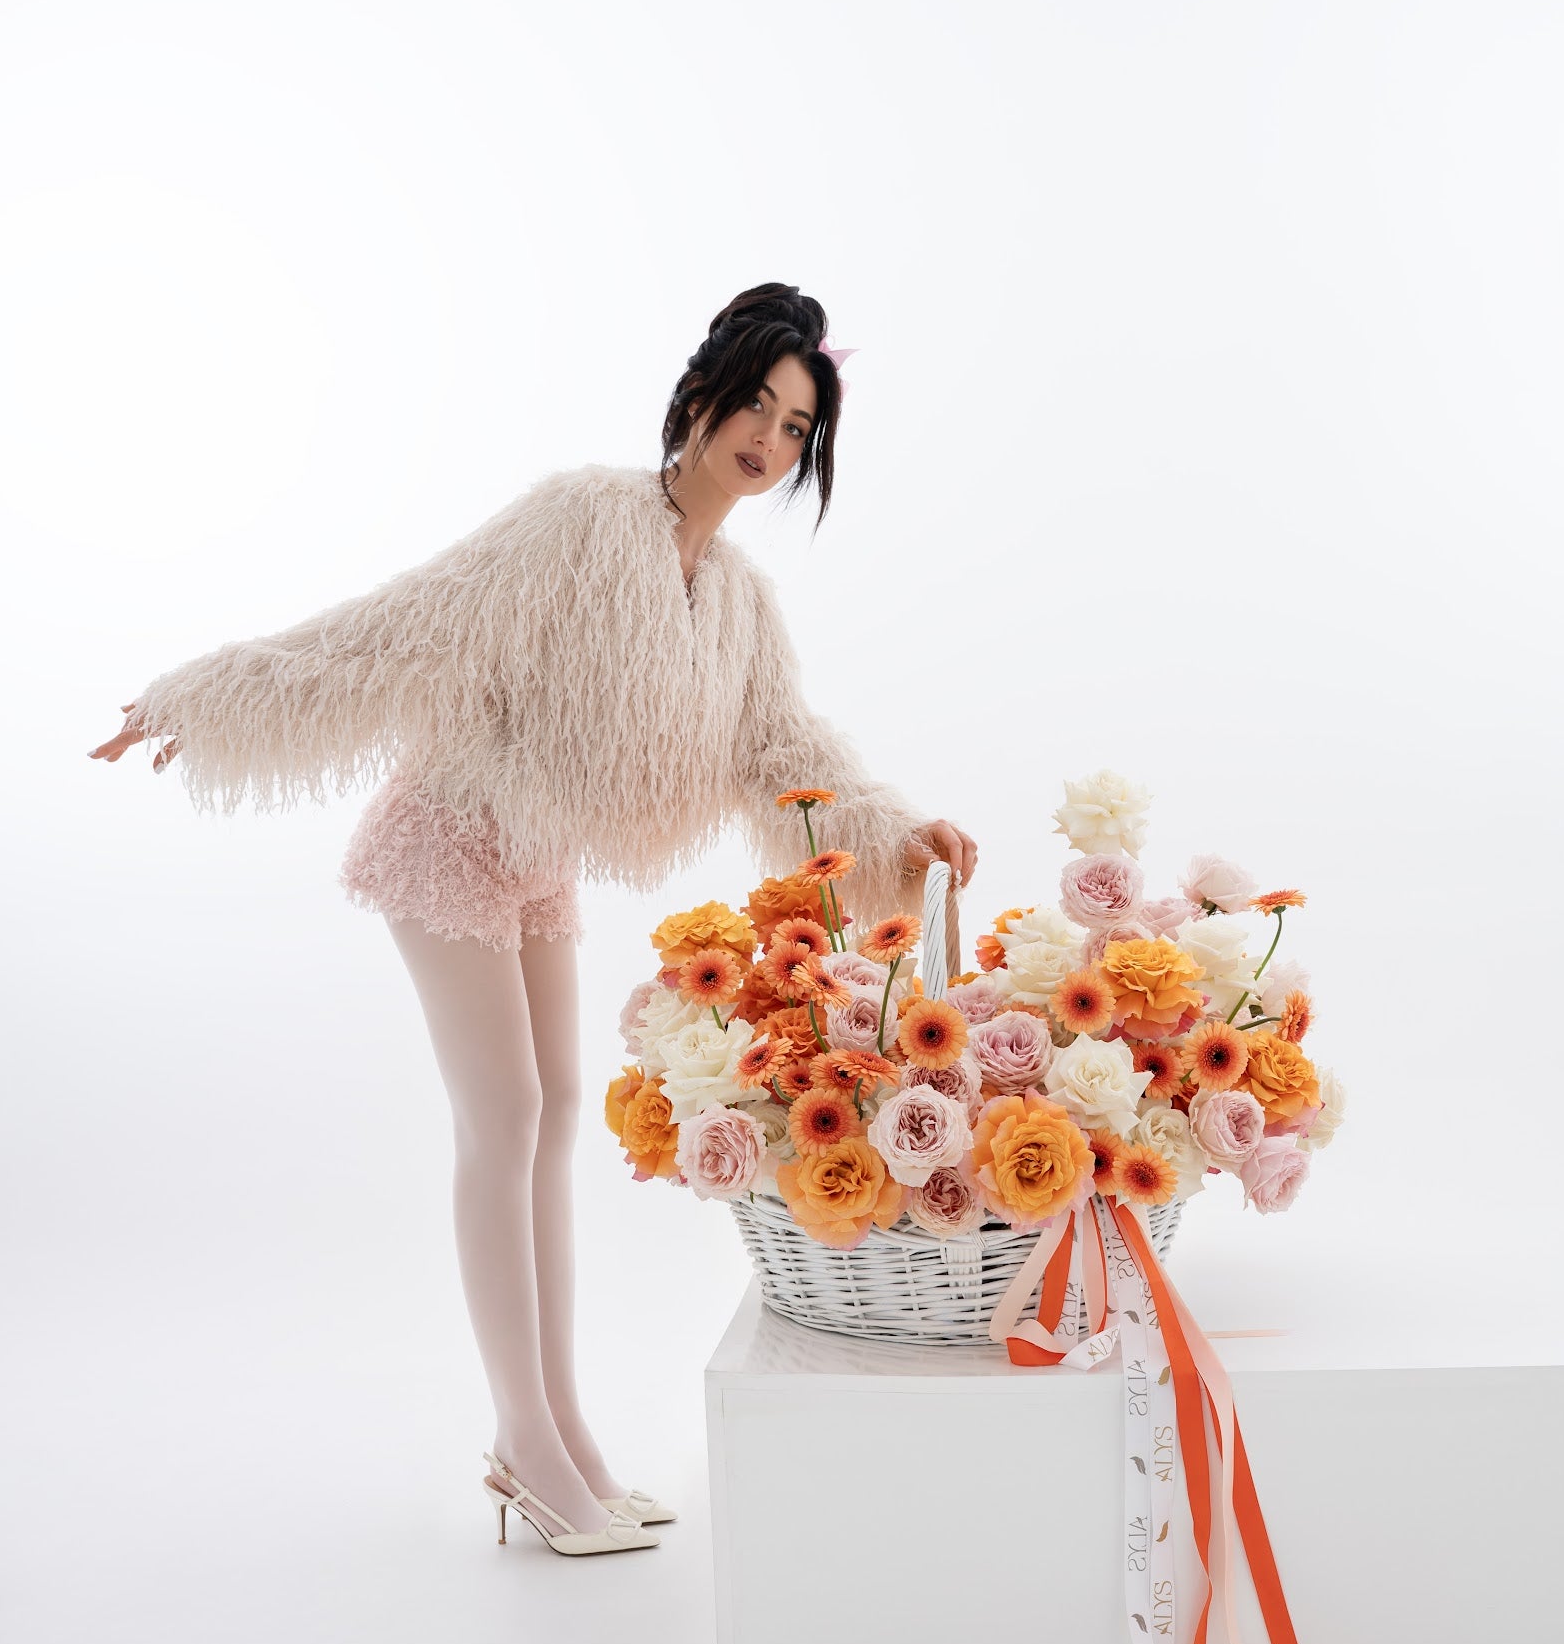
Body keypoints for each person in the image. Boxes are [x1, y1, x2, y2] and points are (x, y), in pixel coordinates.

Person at [91, 282, 978, 1557]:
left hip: (538, 860)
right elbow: (409, 623)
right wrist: (203, 697)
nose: (769, 441)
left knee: (558, 1111)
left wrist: (897, 834)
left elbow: (784, 746)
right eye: (756, 406)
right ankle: (527, 1439)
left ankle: (555, 1432)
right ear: (698, 397)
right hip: (450, 835)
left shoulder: (736, 599)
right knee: (501, 1117)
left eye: (796, 428)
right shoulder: (581, 516)